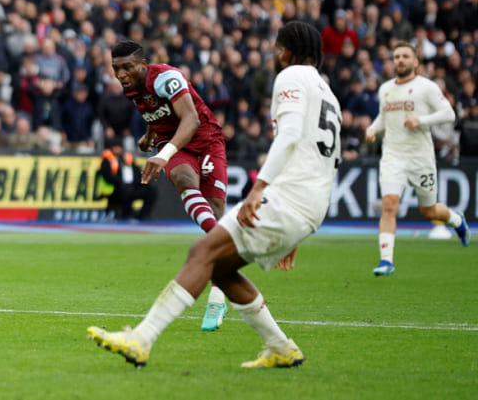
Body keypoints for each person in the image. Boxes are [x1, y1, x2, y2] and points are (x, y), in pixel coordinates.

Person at [88, 21, 342, 368]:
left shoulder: (290, 77)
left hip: (283, 195)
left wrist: (259, 189)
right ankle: (280, 347)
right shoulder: (327, 93)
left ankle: (140, 339)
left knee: (202, 252)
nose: (272, 56)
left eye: (274, 49)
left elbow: (289, 136)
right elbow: (324, 158)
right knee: (217, 266)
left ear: (285, 52)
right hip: (311, 204)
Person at [108, 40, 229, 331]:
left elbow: (190, 117)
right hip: (173, 145)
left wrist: (162, 155)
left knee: (215, 209)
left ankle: (218, 294)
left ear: (142, 64)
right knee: (183, 179)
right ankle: (225, 244)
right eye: (116, 69)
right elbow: (156, 108)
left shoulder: (166, 77)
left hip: (206, 138)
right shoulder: (130, 87)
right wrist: (151, 134)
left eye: (127, 67)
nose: (121, 74)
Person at [365, 42, 470, 276]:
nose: (400, 60)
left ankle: (456, 220)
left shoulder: (427, 88)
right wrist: (372, 130)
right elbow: (383, 118)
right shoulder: (386, 89)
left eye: (405, 56)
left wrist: (420, 121)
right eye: (396, 56)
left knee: (429, 211)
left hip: (420, 158)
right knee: (389, 205)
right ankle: (386, 261)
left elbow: (449, 113)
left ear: (415, 62)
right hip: (393, 156)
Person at [98, 137, 157, 221]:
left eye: (120, 147)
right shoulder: (108, 159)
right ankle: (127, 216)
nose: (118, 150)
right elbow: (107, 175)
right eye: (116, 147)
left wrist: (140, 182)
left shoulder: (127, 158)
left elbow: (137, 172)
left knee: (151, 192)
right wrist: (121, 182)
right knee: (126, 193)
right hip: (116, 188)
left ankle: (141, 216)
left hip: (132, 186)